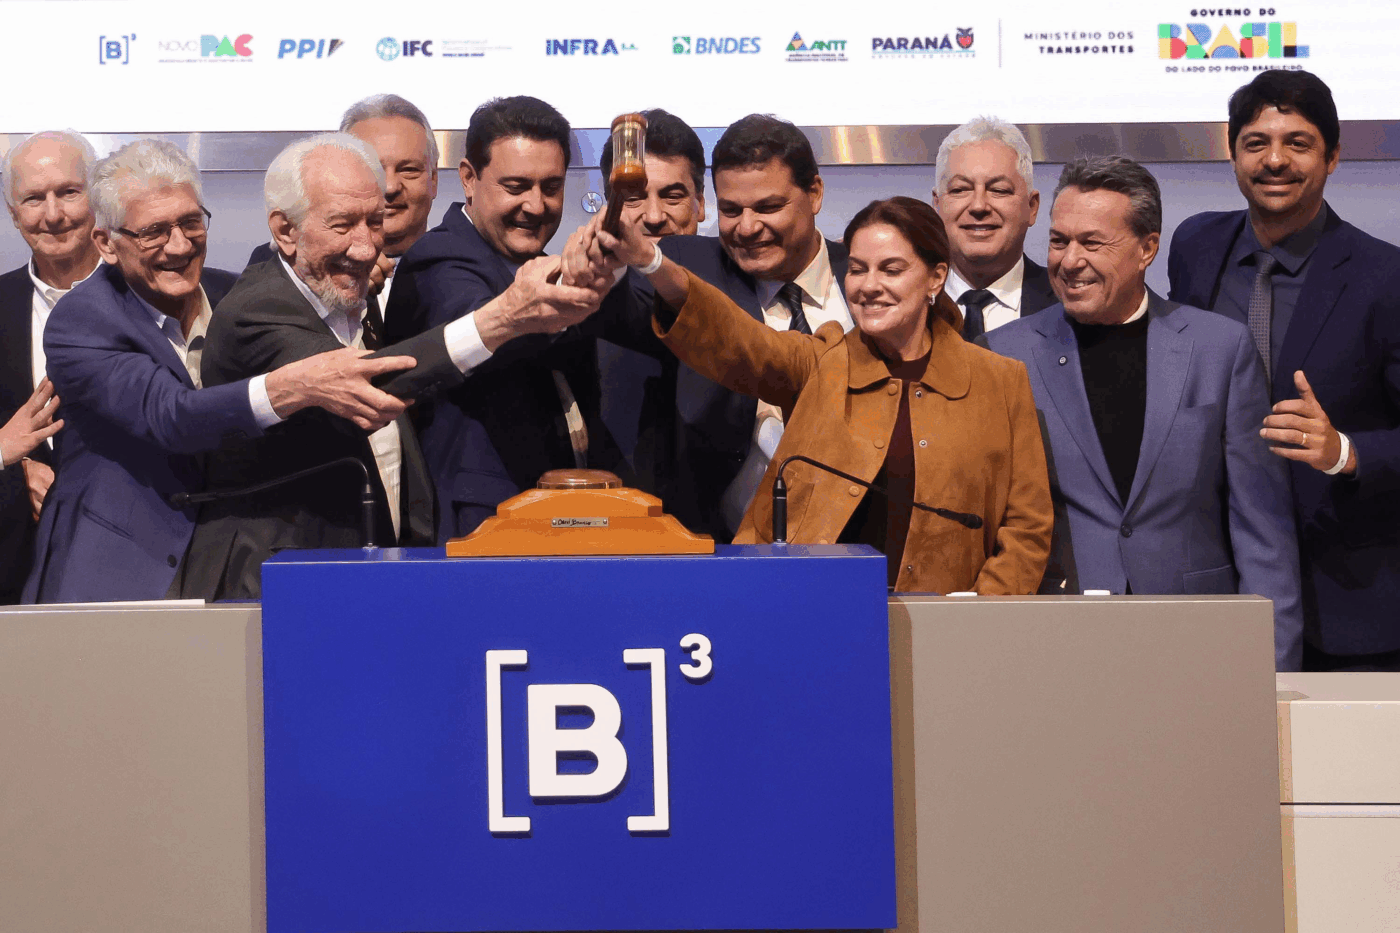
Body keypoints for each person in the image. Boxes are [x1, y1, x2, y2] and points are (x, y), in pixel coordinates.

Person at [571, 195, 1053, 593]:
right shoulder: (825, 362)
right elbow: (736, 338)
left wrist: (980, 615)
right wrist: (651, 261)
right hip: (809, 615)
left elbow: (1027, 529)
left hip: (948, 636)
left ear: (935, 277)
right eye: (858, 269)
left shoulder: (1000, 382)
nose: (869, 286)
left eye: (891, 269)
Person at [23, 139, 420, 603]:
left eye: (191, 222)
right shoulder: (80, 320)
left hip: (230, 568)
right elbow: (170, 417)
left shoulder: (234, 295)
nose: (179, 245)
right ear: (106, 243)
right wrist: (289, 387)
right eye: (153, 232)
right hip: (123, 575)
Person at [181, 134, 558, 599]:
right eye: (342, 225)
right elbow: (369, 381)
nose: (365, 248)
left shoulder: (348, 294)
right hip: (272, 588)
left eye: (375, 222)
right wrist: (503, 318)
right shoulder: (256, 311)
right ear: (285, 231)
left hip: (364, 576)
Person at [983, 156, 1303, 670]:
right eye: (1059, 241)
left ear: (1147, 248)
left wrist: (1275, 668)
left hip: (1195, 640)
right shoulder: (1002, 355)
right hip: (1055, 639)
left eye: (1092, 243)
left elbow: (1262, 531)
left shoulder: (1220, 349)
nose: (1069, 260)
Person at [1168, 69, 1400, 671]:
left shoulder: (1385, 277)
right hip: (1212, 579)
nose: (1275, 160)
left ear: (1333, 156)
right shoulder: (1195, 246)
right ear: (1232, 152)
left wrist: (1344, 450)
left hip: (1344, 599)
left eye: (1298, 143)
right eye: (1256, 143)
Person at [596, 113, 854, 542]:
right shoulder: (689, 266)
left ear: (814, 193)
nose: (747, 228)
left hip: (862, 550)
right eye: (731, 210)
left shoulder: (867, 274)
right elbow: (626, 301)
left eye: (768, 207)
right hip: (719, 551)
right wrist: (603, 264)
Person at [384, 95, 628, 539]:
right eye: (516, 187)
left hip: (566, 515)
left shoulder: (545, 263)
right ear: (469, 179)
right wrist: (554, 296)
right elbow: (477, 323)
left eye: (551, 187)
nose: (535, 205)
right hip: (478, 527)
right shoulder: (438, 258)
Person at [0, 130, 101, 602]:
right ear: (12, 212)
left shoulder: (153, 293)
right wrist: (10, 460)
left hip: (145, 565)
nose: (53, 214)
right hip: (17, 576)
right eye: (34, 198)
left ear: (97, 196)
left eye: (69, 192)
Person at [594, 108, 707, 487]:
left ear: (701, 203)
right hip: (611, 509)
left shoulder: (744, 282)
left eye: (672, 196)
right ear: (608, 204)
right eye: (633, 198)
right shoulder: (588, 291)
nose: (654, 216)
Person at [248, 93, 439, 305]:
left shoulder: (461, 263)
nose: (391, 187)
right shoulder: (279, 262)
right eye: (373, 170)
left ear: (434, 180)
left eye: (409, 170)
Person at [932, 116, 1057, 340]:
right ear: (937, 205)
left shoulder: (1068, 303)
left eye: (999, 190)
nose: (978, 206)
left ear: (1032, 207)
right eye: (960, 189)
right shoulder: (904, 302)